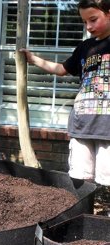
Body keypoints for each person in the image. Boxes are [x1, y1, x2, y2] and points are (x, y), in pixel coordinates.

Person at [20, 0, 110, 186]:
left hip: (107, 126)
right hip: (81, 123)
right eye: (85, 22)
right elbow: (61, 69)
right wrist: (33, 59)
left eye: (93, 19)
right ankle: (83, 213)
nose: (89, 26)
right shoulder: (85, 47)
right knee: (80, 177)